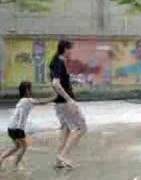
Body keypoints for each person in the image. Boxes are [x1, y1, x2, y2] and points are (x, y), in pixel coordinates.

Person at [0, 81, 55, 169]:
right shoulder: (28, 100)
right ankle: (15, 165)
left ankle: (2, 158)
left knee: (17, 146)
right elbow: (43, 102)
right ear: (26, 90)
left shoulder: (22, 100)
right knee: (24, 147)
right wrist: (54, 97)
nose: (31, 90)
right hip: (17, 128)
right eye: (30, 88)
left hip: (11, 127)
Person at [49, 40, 87, 168]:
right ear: (65, 49)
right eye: (70, 49)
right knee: (81, 128)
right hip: (65, 102)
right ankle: (63, 156)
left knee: (65, 129)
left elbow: (60, 81)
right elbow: (55, 83)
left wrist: (74, 80)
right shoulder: (59, 62)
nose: (71, 52)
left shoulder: (56, 61)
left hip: (59, 103)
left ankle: (59, 160)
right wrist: (69, 99)